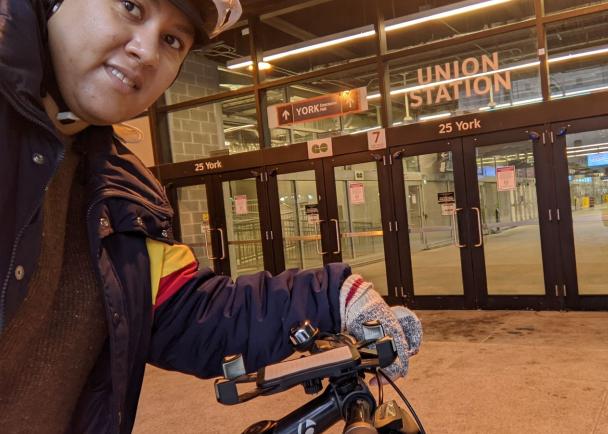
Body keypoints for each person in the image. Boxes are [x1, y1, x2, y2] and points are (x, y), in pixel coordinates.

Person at [0, 0, 422, 432]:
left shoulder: (120, 192)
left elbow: (189, 310)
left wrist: (333, 295)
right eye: (130, 7)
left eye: (172, 40)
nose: (147, 52)